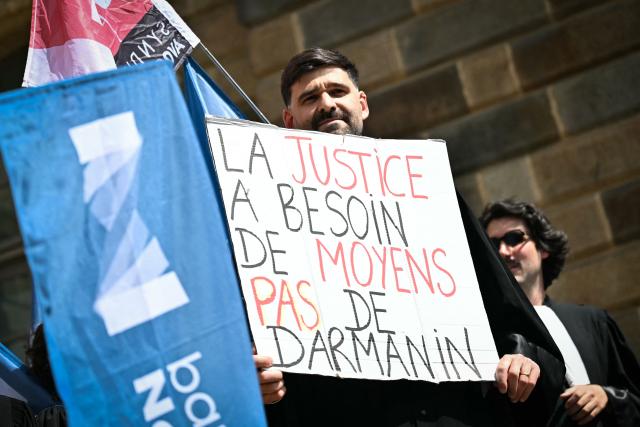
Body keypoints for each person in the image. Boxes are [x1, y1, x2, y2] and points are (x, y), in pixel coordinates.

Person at [253, 48, 566, 426]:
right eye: (310, 98)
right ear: (289, 119)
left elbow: (504, 311)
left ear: (362, 104)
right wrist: (258, 382)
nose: (327, 104)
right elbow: (256, 346)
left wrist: (520, 356)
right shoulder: (266, 214)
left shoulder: (427, 190)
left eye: (337, 91)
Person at [481, 199, 640, 426]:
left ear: (543, 248)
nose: (503, 251)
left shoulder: (594, 322)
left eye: (514, 239)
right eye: (492, 244)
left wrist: (607, 397)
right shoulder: (487, 336)